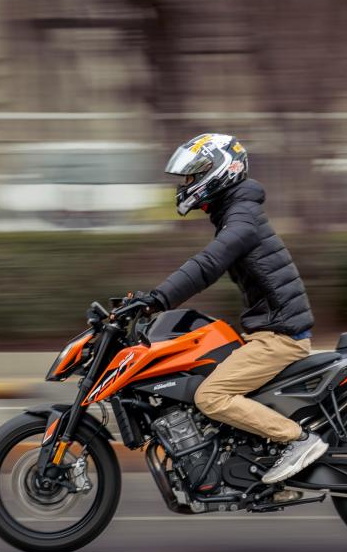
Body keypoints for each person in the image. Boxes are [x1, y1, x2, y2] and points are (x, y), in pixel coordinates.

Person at [123, 133, 327, 484]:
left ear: (217, 171)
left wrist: (157, 299)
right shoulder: (236, 213)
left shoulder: (243, 219)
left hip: (280, 338)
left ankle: (298, 439)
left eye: (192, 176)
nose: (186, 185)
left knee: (211, 396)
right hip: (269, 331)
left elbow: (207, 265)